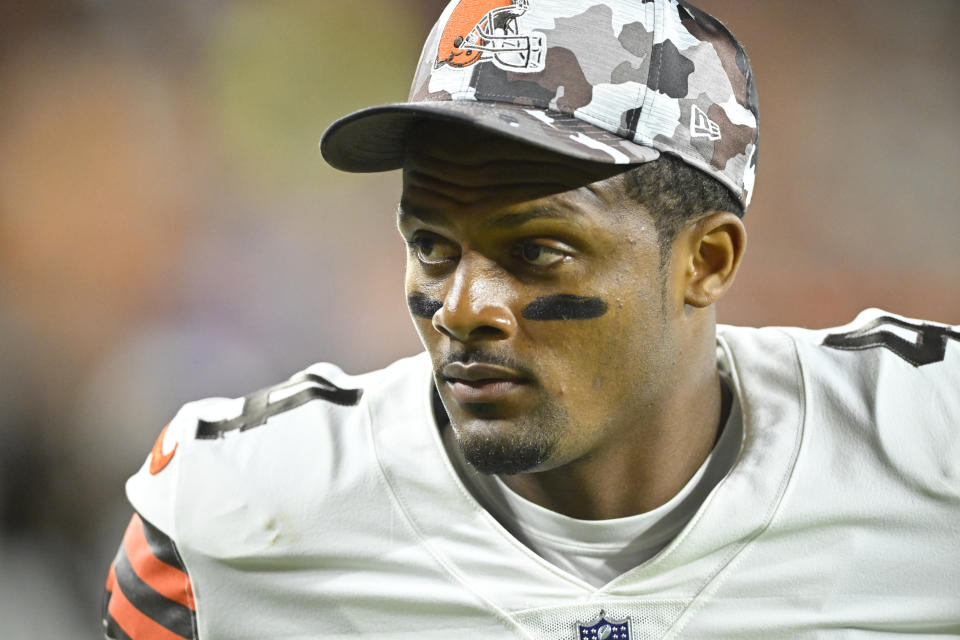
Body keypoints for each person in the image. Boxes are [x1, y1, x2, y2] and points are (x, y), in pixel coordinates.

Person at [101, 1, 960, 638]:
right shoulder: (237, 509)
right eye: (433, 247)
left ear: (707, 261)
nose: (465, 309)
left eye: (538, 251)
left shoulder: (928, 443)